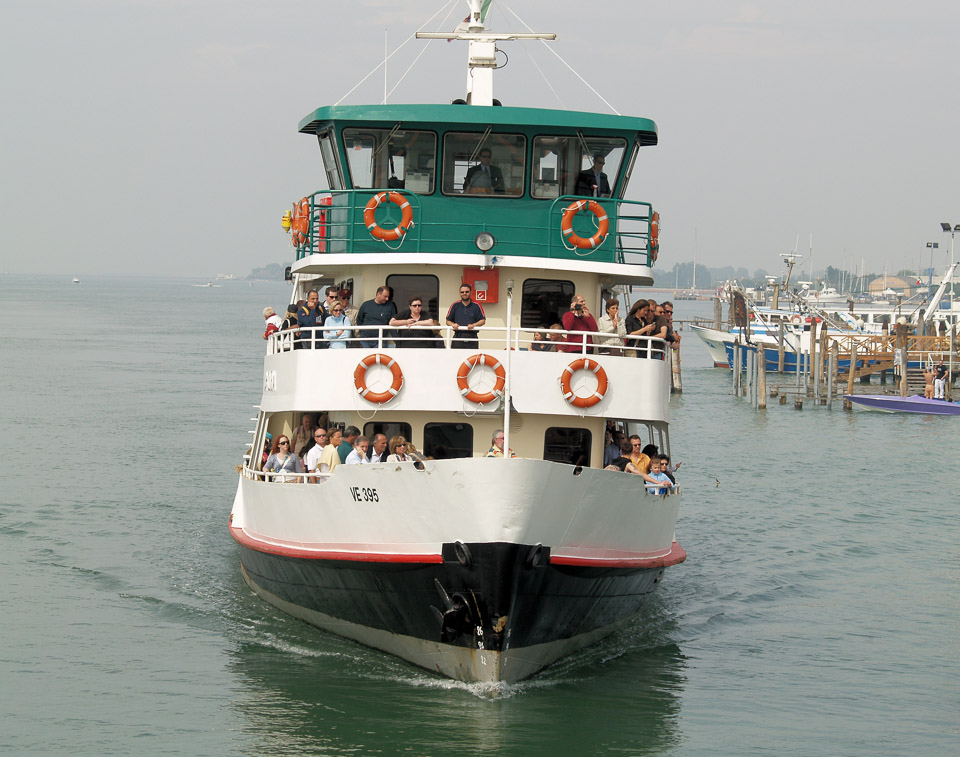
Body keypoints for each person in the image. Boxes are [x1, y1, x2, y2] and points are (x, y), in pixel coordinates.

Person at [446, 283, 486, 349]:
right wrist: (453, 325)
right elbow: (448, 321)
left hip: (472, 337)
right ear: (460, 293)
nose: (464, 293)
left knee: (473, 358)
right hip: (458, 337)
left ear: (471, 293)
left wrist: (474, 325)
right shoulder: (455, 305)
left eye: (467, 292)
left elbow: (483, 320)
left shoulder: (476, 305)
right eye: (462, 292)